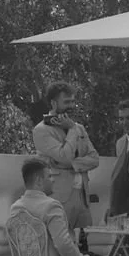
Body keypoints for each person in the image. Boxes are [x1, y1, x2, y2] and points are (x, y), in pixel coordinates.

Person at [31, 82, 100, 233]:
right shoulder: (41, 130)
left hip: (82, 196)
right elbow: (64, 156)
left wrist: (73, 164)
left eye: (73, 101)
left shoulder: (79, 127)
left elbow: (95, 158)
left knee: (83, 246)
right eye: (67, 102)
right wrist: (72, 130)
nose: (72, 105)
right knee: (61, 242)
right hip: (59, 197)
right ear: (54, 103)